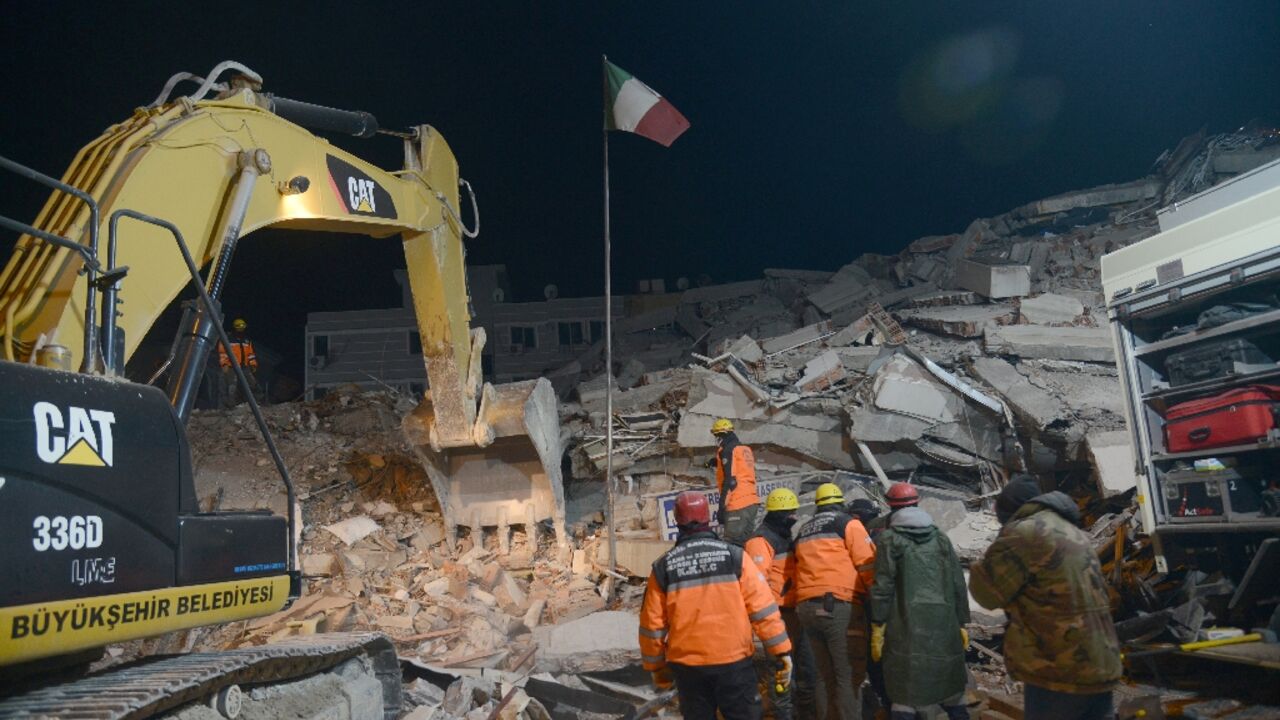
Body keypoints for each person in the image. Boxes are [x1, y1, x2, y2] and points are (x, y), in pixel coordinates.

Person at [969, 476, 1122, 720]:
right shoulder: (1073, 531)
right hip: (1101, 661)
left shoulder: (1025, 532)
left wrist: (980, 563)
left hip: (1058, 668)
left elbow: (987, 595)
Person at [639, 491, 793, 720]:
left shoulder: (663, 567)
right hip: (734, 663)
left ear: (676, 521)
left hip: (688, 668)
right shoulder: (735, 557)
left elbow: (652, 625)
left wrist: (656, 667)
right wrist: (781, 652)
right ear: (708, 519)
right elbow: (764, 610)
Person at [868, 482, 970, 720]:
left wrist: (877, 623)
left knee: (905, 694)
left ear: (891, 508)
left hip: (904, 624)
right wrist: (963, 622)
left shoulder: (890, 540)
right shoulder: (941, 538)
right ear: (917, 503)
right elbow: (957, 582)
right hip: (944, 625)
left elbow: (883, 586)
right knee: (951, 691)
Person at [794, 482, 876, 720]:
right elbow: (868, 564)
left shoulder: (804, 529)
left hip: (806, 609)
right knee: (847, 675)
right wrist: (878, 602)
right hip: (839, 607)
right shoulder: (848, 525)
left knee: (823, 675)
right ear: (840, 503)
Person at [744, 488, 817, 720]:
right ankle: (782, 715)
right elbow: (756, 584)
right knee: (782, 671)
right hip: (778, 616)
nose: (794, 517)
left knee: (806, 668)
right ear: (777, 514)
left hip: (796, 611)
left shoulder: (783, 535)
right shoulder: (760, 541)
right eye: (790, 513)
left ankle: (805, 713)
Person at [711, 418, 760, 545]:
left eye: (716, 435)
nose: (716, 439)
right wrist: (713, 462)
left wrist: (721, 507)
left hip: (738, 504)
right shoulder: (744, 449)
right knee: (747, 544)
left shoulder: (728, 450)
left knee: (733, 546)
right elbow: (738, 468)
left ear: (720, 435)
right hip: (752, 502)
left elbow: (731, 481)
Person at [218, 317, 259, 406]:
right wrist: (224, 364)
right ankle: (231, 405)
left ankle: (254, 403)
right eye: (239, 328)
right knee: (232, 385)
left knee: (252, 384)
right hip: (231, 366)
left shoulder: (246, 340)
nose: (241, 330)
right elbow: (223, 353)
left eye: (242, 328)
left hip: (244, 366)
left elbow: (251, 354)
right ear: (235, 328)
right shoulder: (228, 339)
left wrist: (253, 364)